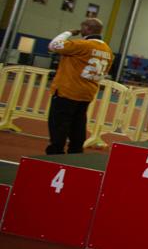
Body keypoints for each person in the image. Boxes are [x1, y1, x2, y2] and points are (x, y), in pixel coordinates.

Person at [45, 18, 113, 154]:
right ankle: (75, 152)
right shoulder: (108, 51)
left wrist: (68, 32)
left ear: (87, 29)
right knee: (78, 125)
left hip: (68, 90)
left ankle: (55, 153)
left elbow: (53, 45)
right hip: (87, 93)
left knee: (59, 124)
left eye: (82, 28)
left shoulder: (81, 45)